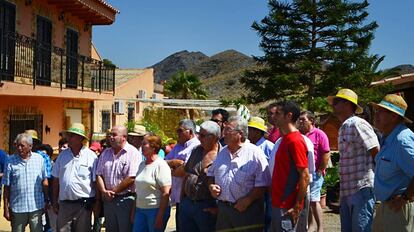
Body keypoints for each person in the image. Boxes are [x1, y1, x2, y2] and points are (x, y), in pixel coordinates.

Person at [327, 88, 380, 232]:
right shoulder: (344, 126)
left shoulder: (357, 123)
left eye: (337, 102)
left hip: (361, 187)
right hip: (347, 189)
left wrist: (380, 178)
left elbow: (376, 151)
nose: (333, 105)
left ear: (347, 104)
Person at [208, 116, 271, 231]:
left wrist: (248, 200)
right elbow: (211, 174)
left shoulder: (255, 153)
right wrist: (211, 186)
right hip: (224, 211)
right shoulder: (222, 152)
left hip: (247, 211)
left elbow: (264, 183)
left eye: (228, 130)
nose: (224, 134)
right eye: (224, 130)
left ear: (240, 134)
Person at [371, 94, 414, 232]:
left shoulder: (402, 141)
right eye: (376, 111)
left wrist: (406, 196)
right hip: (387, 206)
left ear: (394, 116)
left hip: (399, 209)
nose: (376, 115)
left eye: (380, 112)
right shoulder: (387, 137)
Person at [268, 101, 310, 232]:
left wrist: (297, 206)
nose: (274, 116)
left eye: (278, 113)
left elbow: (305, 175)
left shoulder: (295, 141)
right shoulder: (285, 139)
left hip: (287, 205)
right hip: (278, 202)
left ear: (289, 116)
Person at [52, 123, 98, 231]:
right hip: (65, 204)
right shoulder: (62, 156)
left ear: (80, 138)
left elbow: (95, 182)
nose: (69, 138)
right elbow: (55, 180)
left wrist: (97, 202)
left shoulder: (91, 156)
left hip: (84, 206)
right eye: (69, 135)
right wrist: (55, 202)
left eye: (72, 135)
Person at [96, 125, 141, 232]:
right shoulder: (106, 153)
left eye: (114, 135)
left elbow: (131, 177)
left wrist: (112, 192)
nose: (111, 137)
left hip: (125, 200)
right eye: (110, 134)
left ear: (124, 137)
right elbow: (98, 174)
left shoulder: (133, 153)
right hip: (108, 200)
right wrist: (103, 192)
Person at [179, 121, 221, 232]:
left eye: (202, 135)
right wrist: (182, 200)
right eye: (199, 134)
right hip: (187, 204)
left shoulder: (223, 155)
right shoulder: (196, 150)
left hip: (207, 206)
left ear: (213, 137)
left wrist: (218, 209)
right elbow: (187, 174)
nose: (199, 138)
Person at [2, 133, 49, 232]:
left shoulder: (39, 159)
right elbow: (7, 186)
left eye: (22, 146)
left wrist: (46, 200)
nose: (19, 148)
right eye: (17, 145)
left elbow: (44, 181)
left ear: (30, 146)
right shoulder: (10, 161)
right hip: (18, 208)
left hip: (36, 207)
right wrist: (6, 208)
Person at [297, 111, 330, 232]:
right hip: (304, 173)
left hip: (316, 173)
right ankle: (311, 225)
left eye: (303, 120)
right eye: (299, 120)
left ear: (311, 121)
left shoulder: (320, 134)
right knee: (308, 199)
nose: (300, 122)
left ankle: (320, 228)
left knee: (314, 200)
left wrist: (320, 170)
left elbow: (326, 152)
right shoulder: (300, 135)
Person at [131, 135, 171, 232]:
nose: (142, 146)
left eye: (144, 144)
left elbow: (166, 193)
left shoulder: (161, 165)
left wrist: (160, 216)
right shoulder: (142, 165)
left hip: (155, 209)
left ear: (154, 147)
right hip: (140, 209)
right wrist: (133, 211)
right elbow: (138, 190)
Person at [165, 119, 200, 231]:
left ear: (189, 132)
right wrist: (174, 162)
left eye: (180, 130)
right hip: (177, 197)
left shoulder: (196, 147)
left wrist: (175, 169)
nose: (177, 133)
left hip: (187, 196)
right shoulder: (178, 146)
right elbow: (163, 163)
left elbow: (185, 170)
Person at [247, 116, 274, 232]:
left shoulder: (268, 146)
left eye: (250, 129)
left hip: (266, 189)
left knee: (266, 216)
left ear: (257, 132)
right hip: (252, 187)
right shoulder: (248, 146)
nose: (248, 132)